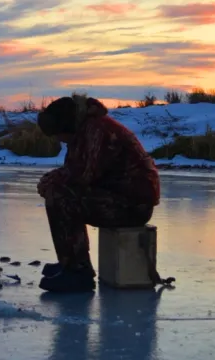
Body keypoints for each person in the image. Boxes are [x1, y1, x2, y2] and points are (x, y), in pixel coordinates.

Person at [36, 94, 161, 292]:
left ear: (66, 125)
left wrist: (50, 181)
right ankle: (69, 262)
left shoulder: (97, 130)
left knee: (61, 195)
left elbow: (83, 174)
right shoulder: (87, 129)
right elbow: (76, 171)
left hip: (132, 206)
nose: (59, 140)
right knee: (58, 190)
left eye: (58, 134)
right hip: (119, 198)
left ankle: (78, 272)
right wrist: (54, 180)